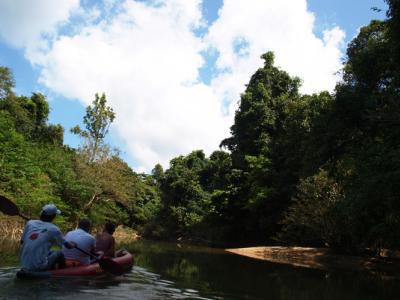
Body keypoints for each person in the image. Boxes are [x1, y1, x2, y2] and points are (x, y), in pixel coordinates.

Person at [20, 204, 76, 271]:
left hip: (24, 265)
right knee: (59, 253)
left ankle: (49, 267)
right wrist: (74, 244)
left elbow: (22, 242)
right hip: (39, 267)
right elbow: (67, 246)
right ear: (53, 216)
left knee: (52, 251)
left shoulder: (30, 223)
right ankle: (62, 272)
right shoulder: (54, 229)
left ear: (41, 213)